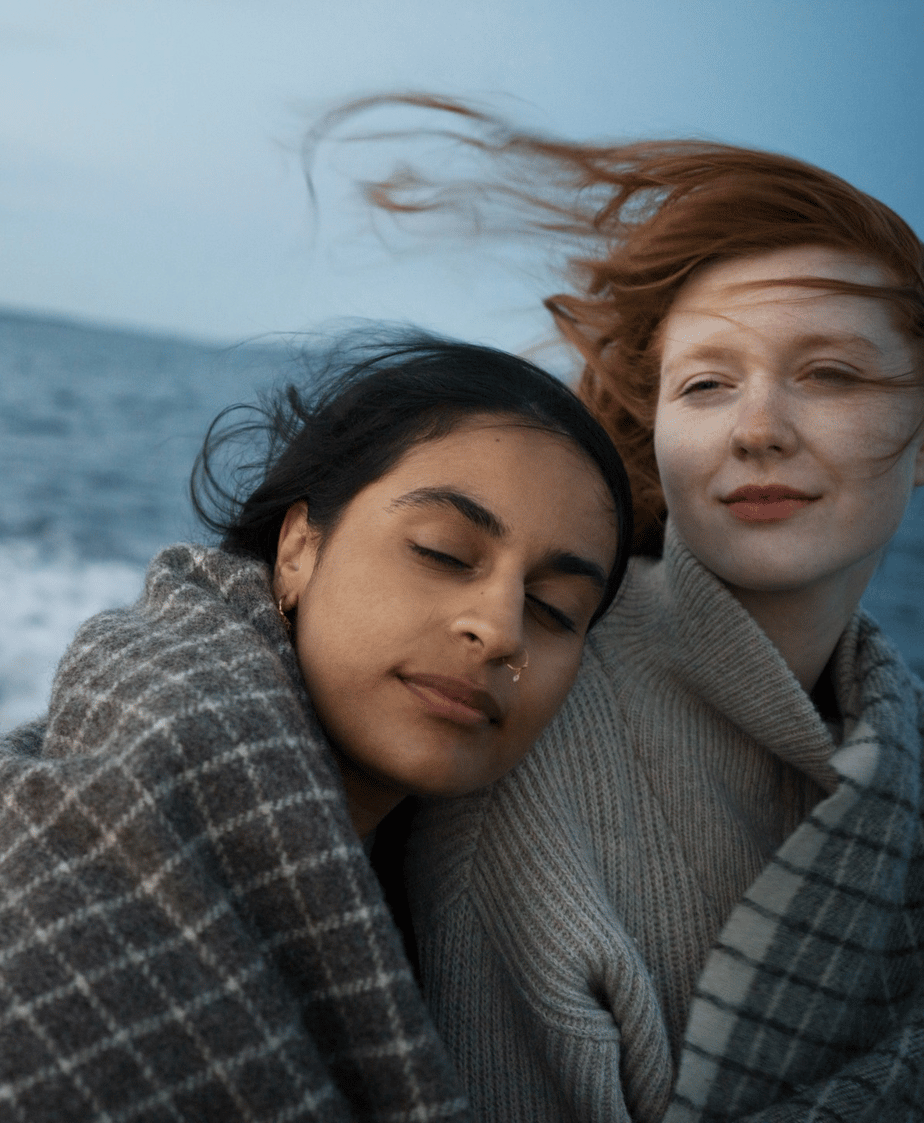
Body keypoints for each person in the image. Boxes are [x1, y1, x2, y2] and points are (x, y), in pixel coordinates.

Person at [0, 334, 633, 1122]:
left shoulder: (468, 897)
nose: (499, 628)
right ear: (299, 549)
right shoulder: (120, 809)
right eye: (443, 551)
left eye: (555, 610)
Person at [328, 97, 924, 1120]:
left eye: (829, 374)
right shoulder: (534, 760)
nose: (758, 429)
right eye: (705, 386)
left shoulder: (891, 742)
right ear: (654, 431)